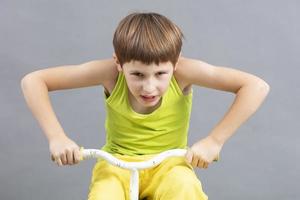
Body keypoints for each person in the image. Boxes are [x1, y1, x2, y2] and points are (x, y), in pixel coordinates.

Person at [21, 12, 270, 200]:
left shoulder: (184, 72)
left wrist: (215, 141)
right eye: (138, 75)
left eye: (161, 73)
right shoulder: (109, 74)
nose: (149, 87)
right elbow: (33, 81)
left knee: (185, 188)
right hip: (116, 164)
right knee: (103, 194)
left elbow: (256, 86)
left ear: (176, 63)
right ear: (118, 64)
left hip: (169, 165)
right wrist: (57, 137)